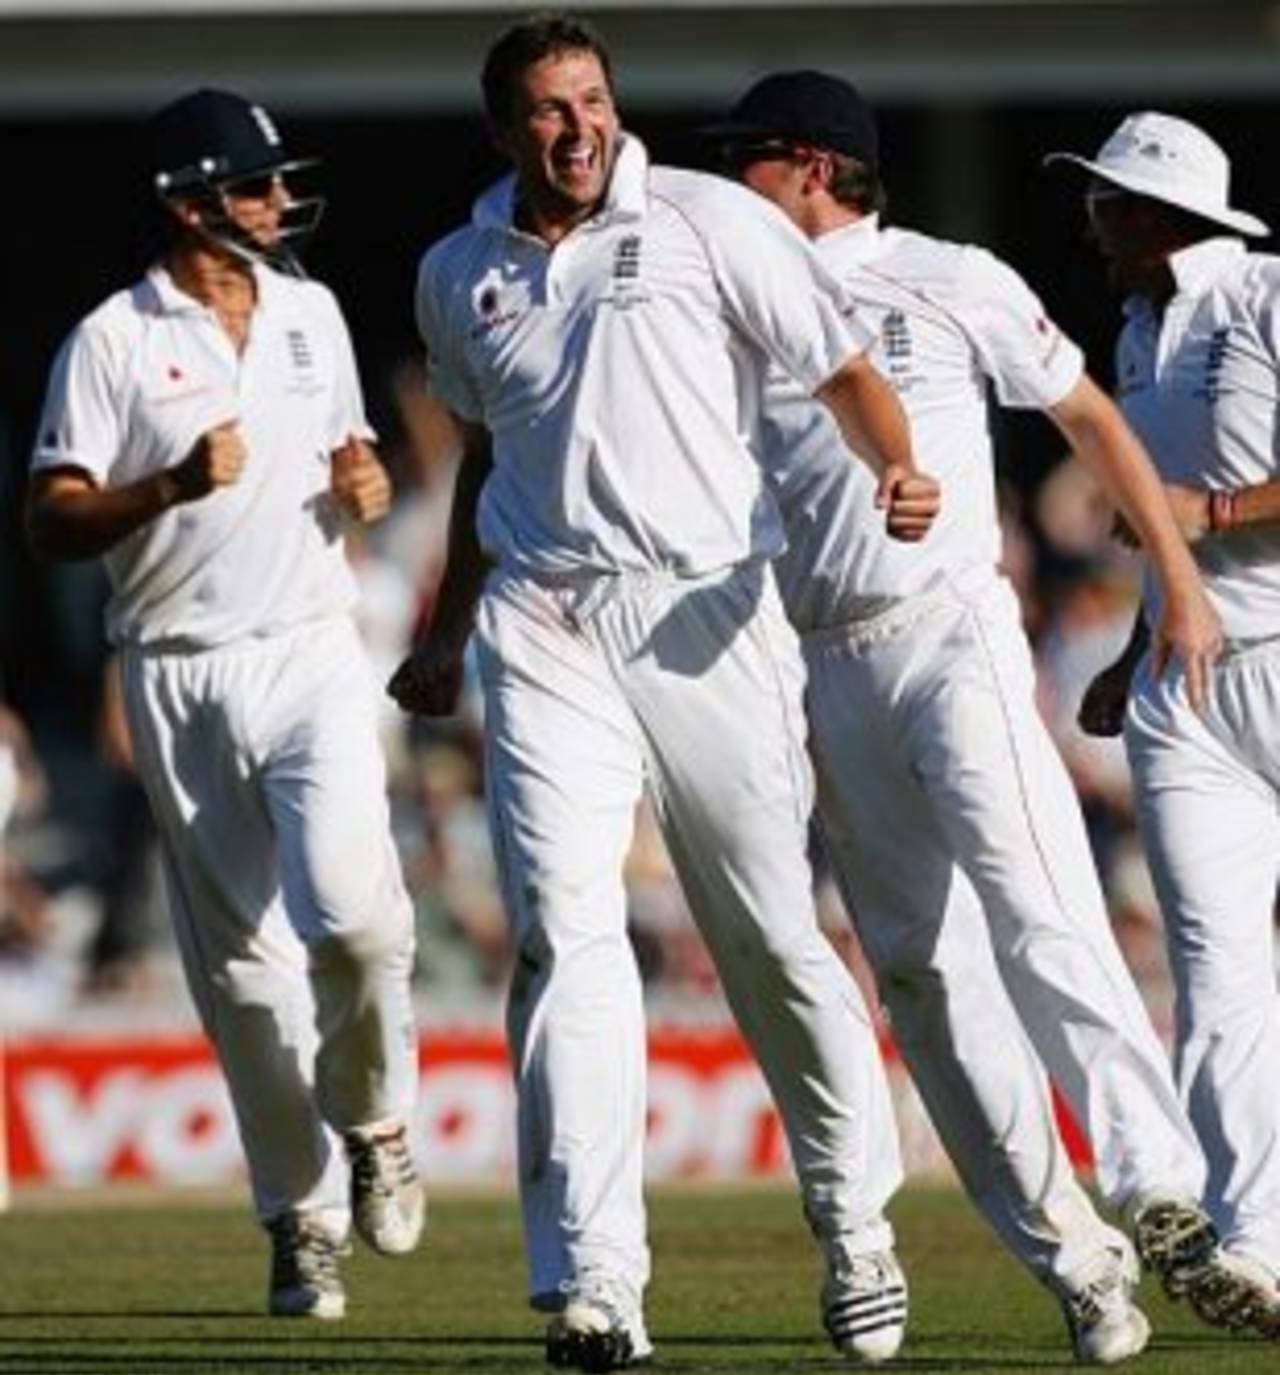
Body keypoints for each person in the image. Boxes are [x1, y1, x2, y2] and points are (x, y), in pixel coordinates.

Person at [388, 13, 939, 1370]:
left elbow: (845, 369)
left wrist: (898, 468)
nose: (573, 126)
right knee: (562, 932)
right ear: (504, 129)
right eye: (544, 108)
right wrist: (448, 627)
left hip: (706, 608)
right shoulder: (458, 271)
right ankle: (596, 1280)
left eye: (590, 100)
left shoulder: (706, 220)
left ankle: (856, 1217)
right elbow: (483, 462)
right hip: (544, 617)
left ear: (613, 107)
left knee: (764, 931)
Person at [704, 71, 1250, 1361]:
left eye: (748, 162)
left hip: (951, 632)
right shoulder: (732, 302)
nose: (731, 187)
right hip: (821, 663)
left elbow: (1085, 415)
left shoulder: (950, 274)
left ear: (810, 167)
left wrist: (1174, 586)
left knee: (1034, 894)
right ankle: (1072, 1259)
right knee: (922, 976)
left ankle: (1153, 1180)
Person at [25, 88, 423, 1321]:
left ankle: (375, 1118)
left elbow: (352, 465)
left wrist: (366, 482)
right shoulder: (112, 339)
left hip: (310, 645)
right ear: (188, 203)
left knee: (355, 919)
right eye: (251, 185)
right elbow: (51, 518)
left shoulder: (311, 311)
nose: (274, 201)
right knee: (247, 973)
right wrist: (168, 485)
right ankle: (299, 1219)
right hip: (178, 665)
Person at [1056, 110, 1280, 1338]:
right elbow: (1160, 526)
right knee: (1216, 970)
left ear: (1147, 211)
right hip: (1184, 686)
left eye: (1098, 202)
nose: (1085, 224)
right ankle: (1258, 1244)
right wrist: (1133, 647)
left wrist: (1216, 509)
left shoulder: (1264, 294)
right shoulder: (1134, 331)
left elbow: (1190, 505)